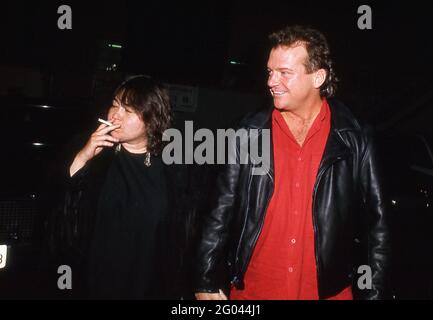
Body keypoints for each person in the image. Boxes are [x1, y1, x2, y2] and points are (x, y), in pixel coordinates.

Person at [194, 25, 391, 300]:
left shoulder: (355, 138)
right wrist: (204, 281)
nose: (271, 81)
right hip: (253, 294)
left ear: (318, 77)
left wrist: (374, 294)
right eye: (270, 72)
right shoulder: (248, 134)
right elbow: (219, 212)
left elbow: (378, 224)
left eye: (285, 73)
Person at [65, 75, 189, 299]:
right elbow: (64, 205)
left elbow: (180, 235)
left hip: (148, 286)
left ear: (152, 119)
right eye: (114, 105)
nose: (115, 115)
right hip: (94, 284)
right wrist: (84, 156)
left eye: (128, 110)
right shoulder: (97, 156)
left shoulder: (174, 167)